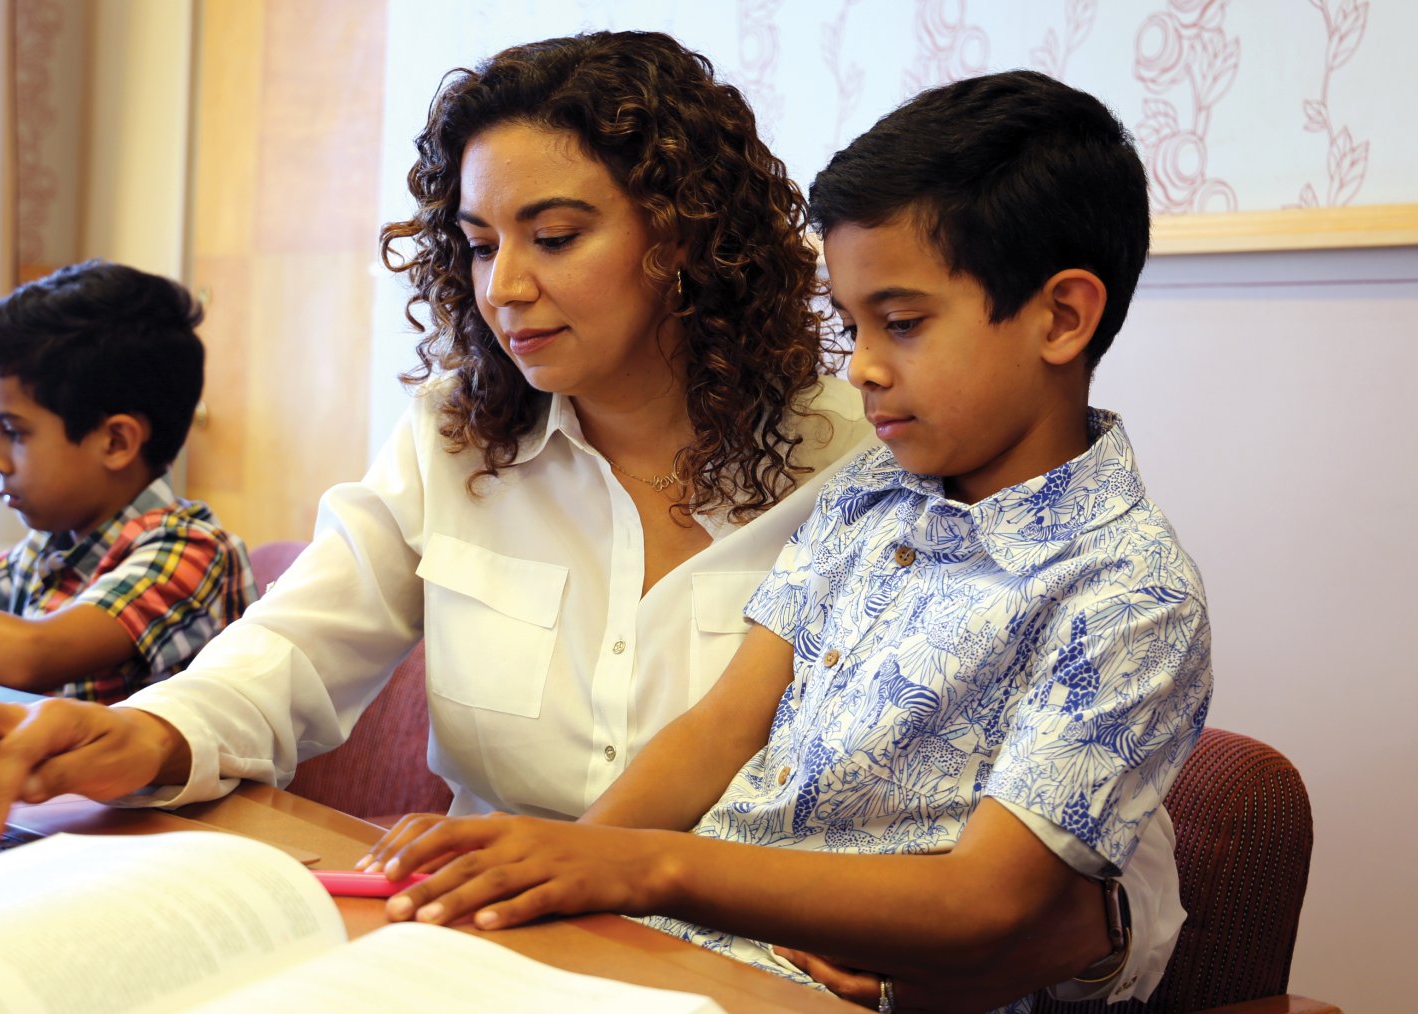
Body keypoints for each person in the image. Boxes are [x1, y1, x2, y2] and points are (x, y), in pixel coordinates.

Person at [0, 38, 1170, 1007]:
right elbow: (294, 652)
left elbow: (1086, 852)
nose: (504, 286)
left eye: (555, 236)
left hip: (728, 975)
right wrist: (142, 734)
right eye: (475, 245)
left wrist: (977, 937)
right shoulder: (457, 436)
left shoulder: (883, 454)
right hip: (489, 957)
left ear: (683, 237)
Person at [358, 70, 1212, 1014]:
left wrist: (646, 871)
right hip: (691, 954)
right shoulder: (865, 495)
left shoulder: (1132, 596)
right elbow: (721, 726)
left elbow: (987, 901)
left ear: (1062, 317)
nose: (865, 368)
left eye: (902, 323)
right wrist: (575, 871)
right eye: (852, 325)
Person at [0, 260, 258, 704]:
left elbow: (32, 653)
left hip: (149, 778)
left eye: (15, 432)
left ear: (116, 441)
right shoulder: (53, 546)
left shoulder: (191, 553)